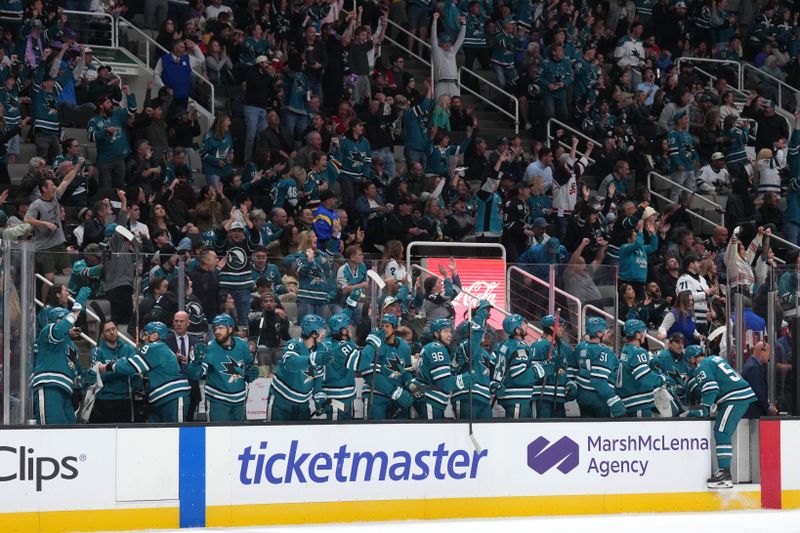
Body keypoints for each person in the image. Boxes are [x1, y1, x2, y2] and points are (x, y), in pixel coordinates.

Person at [684, 346, 756, 489]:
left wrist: (704, 407)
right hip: (739, 395)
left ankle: (725, 475)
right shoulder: (714, 359)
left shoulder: (701, 366)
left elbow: (711, 388)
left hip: (735, 398)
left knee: (721, 432)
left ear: (692, 359)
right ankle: (725, 473)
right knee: (722, 431)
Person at [31, 287, 92, 425]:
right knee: (52, 431)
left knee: (68, 431)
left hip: (66, 391)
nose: (72, 324)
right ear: (58, 320)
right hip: (49, 386)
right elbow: (59, 331)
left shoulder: (71, 346)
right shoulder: (48, 332)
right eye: (66, 320)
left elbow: (77, 371)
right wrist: (75, 310)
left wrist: (90, 375)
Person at [25, 159, 84, 289]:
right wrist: (45, 223)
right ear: (44, 189)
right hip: (45, 248)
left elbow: (66, 180)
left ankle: (66, 302)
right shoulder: (37, 204)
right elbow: (27, 219)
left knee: (68, 273)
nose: (55, 187)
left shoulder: (56, 196)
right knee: (49, 278)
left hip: (59, 244)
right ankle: (45, 304)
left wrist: (78, 166)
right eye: (52, 185)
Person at [188, 314, 258, 422]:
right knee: (218, 436)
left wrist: (251, 373)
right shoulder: (209, 348)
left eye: (221, 328)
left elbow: (248, 366)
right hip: (218, 400)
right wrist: (196, 362)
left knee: (239, 435)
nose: (217, 332)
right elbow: (195, 375)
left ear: (230, 329)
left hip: (240, 400)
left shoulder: (243, 345)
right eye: (215, 328)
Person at [267, 314, 331, 421]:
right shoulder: (294, 344)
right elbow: (290, 364)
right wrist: (311, 359)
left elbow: (318, 375)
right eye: (322, 330)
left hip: (303, 404)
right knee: (277, 435)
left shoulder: (321, 348)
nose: (324, 333)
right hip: (281, 401)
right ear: (314, 333)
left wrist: (318, 396)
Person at [412, 318, 474, 419]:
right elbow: (444, 384)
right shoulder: (437, 348)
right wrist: (465, 378)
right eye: (445, 331)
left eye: (450, 331)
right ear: (436, 334)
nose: (449, 334)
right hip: (431, 400)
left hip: (430, 400)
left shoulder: (431, 347)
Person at [360, 313, 414, 420]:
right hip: (376, 395)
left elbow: (406, 371)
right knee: (375, 431)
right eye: (382, 326)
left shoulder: (404, 346)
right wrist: (395, 392)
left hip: (396, 397)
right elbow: (371, 374)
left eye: (387, 326)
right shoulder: (374, 345)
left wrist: (410, 384)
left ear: (394, 328)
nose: (384, 329)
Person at [492, 313, 545, 419]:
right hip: (517, 397)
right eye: (523, 324)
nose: (526, 325)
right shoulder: (519, 347)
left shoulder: (504, 344)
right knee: (518, 432)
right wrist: (541, 369)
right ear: (517, 330)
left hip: (508, 395)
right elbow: (520, 376)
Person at [574, 317, 626, 418]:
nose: (607, 332)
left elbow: (573, 369)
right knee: (600, 431)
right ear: (599, 334)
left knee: (586, 429)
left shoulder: (580, 347)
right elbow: (598, 380)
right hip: (598, 396)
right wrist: (612, 399)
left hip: (582, 395)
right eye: (604, 330)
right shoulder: (603, 351)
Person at [89, 320, 139, 423]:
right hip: (104, 400)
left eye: (113, 329)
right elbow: (97, 377)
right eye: (107, 330)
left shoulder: (129, 349)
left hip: (125, 398)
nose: (112, 332)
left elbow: (133, 369)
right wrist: (122, 368)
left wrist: (109, 368)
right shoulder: (97, 351)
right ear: (102, 334)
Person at [88, 91, 137, 188]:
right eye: (108, 103)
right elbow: (91, 137)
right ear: (101, 106)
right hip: (105, 161)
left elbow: (132, 110)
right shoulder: (94, 120)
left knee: (119, 188)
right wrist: (105, 131)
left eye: (111, 102)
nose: (111, 105)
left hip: (120, 159)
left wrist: (129, 94)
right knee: (106, 188)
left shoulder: (117, 114)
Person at [531, 313, 576, 418]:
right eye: (560, 326)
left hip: (560, 397)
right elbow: (533, 372)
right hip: (543, 397)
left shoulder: (565, 348)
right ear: (552, 327)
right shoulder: (539, 345)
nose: (563, 329)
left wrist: (570, 383)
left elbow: (567, 371)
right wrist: (550, 364)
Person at [619, 319, 667, 417]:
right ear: (637, 335)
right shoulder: (638, 352)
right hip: (638, 403)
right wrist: (662, 379)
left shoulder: (625, 349)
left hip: (628, 401)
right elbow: (646, 378)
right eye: (643, 331)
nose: (645, 334)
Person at [431, 12, 466, 99]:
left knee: (456, 106)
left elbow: (460, 39)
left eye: (449, 43)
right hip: (441, 83)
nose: (448, 45)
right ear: (440, 44)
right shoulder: (437, 51)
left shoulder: (452, 51)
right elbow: (433, 37)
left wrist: (464, 24)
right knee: (440, 106)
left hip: (453, 83)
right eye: (445, 43)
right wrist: (435, 20)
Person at [667, 110, 699, 201]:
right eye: (685, 119)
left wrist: (695, 156)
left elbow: (689, 147)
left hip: (689, 167)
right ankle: (672, 211)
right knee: (676, 191)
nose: (687, 121)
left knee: (690, 191)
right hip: (679, 169)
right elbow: (673, 151)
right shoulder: (672, 134)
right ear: (679, 120)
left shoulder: (686, 134)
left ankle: (689, 211)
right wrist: (678, 164)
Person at [741, 340, 778, 418]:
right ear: (763, 352)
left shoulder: (753, 364)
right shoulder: (753, 367)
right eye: (769, 353)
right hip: (752, 414)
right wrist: (768, 407)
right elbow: (757, 392)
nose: (769, 356)